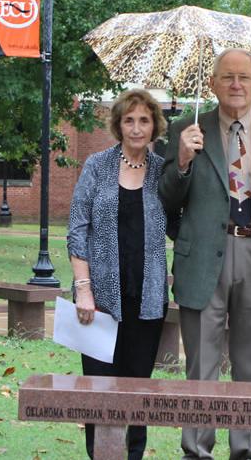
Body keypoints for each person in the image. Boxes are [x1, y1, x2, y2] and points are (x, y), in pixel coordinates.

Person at [159, 48, 251, 459]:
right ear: (212, 84)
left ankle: (245, 452)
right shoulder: (185, 129)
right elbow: (166, 202)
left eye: (244, 77)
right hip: (205, 257)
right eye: (227, 77)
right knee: (201, 365)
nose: (236, 85)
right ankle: (196, 451)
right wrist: (184, 161)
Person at [67, 89, 176, 460]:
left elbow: (181, 220)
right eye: (129, 120)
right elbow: (77, 228)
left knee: (137, 391)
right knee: (98, 391)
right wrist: (83, 289)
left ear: (155, 126)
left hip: (146, 301)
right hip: (98, 302)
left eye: (144, 120)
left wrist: (188, 161)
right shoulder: (97, 166)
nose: (136, 128)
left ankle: (133, 456)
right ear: (118, 124)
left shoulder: (163, 171)